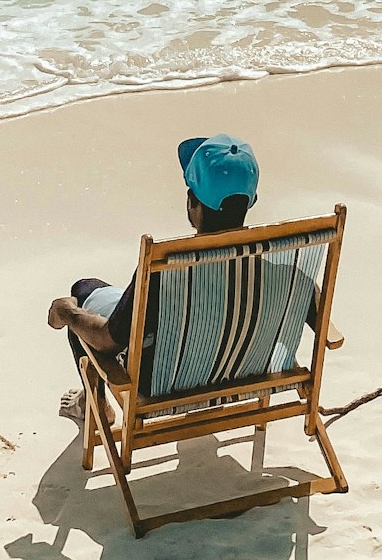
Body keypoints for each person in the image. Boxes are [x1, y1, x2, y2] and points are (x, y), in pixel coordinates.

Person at [48, 133, 264, 393]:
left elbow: (107, 341)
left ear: (192, 202)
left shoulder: (163, 272)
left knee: (81, 305)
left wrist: (66, 313)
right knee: (89, 288)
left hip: (162, 384)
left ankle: (96, 406)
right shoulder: (280, 263)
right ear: (251, 200)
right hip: (244, 372)